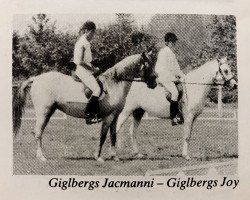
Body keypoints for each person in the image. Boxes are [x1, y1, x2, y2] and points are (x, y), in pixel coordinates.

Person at [73, 21, 101, 124]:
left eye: (94, 32)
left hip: (86, 69)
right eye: (92, 32)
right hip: (82, 71)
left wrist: (94, 67)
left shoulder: (85, 42)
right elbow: (79, 61)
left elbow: (87, 61)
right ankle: (88, 116)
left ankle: (96, 113)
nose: (93, 35)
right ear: (86, 31)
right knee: (97, 90)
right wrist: (93, 70)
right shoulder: (83, 43)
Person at [154, 32, 185, 126]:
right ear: (168, 42)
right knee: (175, 93)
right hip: (164, 77)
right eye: (172, 42)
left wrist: (184, 77)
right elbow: (161, 69)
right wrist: (173, 78)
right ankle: (173, 117)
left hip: (170, 78)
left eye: (174, 42)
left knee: (182, 89)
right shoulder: (163, 52)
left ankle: (180, 114)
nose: (174, 44)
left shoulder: (172, 54)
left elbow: (177, 69)